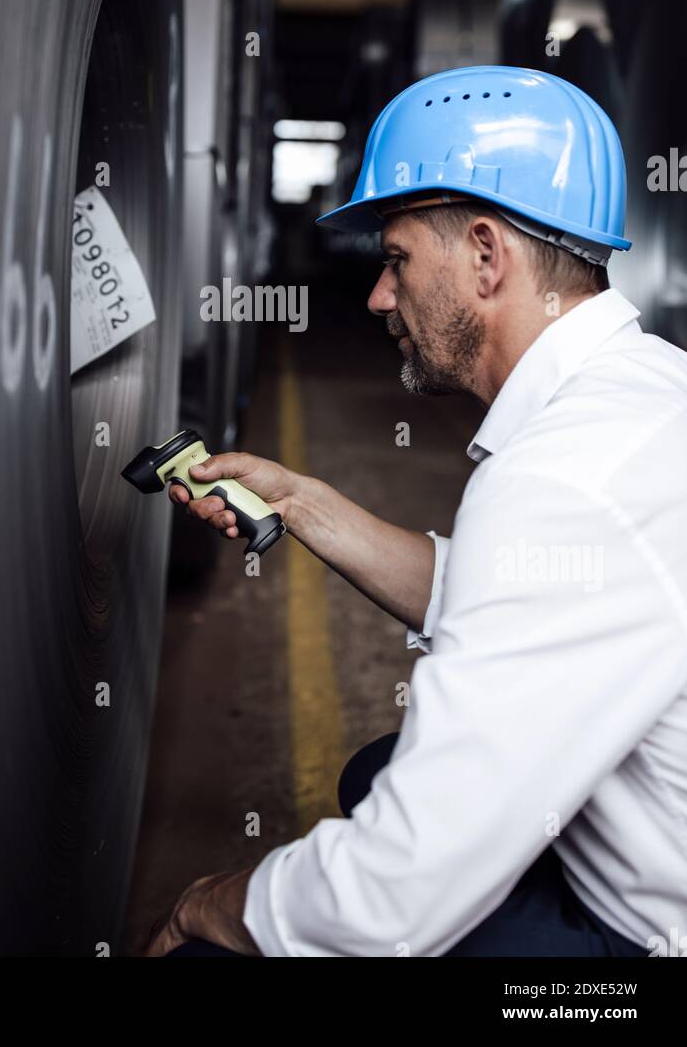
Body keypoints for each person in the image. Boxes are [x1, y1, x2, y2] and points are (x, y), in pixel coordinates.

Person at [144, 65, 687, 958]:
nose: (377, 296)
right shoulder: (639, 388)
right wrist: (306, 504)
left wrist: (208, 903)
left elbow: (393, 895)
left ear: (485, 254)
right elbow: (524, 597)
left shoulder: (563, 480)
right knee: (377, 774)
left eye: (396, 260)